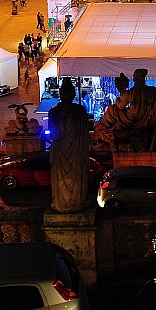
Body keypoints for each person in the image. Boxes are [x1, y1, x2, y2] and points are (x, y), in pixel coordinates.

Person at [49, 79, 92, 212]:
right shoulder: (80, 111)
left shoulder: (53, 112)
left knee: (60, 179)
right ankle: (76, 201)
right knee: (76, 177)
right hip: (76, 152)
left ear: (60, 94)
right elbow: (85, 132)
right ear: (74, 94)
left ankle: (61, 202)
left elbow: (54, 135)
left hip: (60, 152)